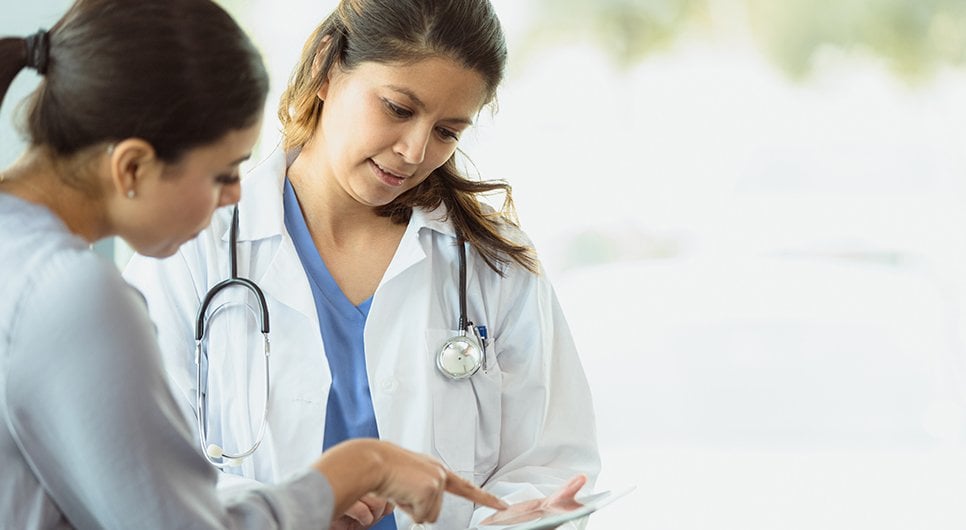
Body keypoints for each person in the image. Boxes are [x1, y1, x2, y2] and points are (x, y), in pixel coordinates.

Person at [0, 0, 507, 528]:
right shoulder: (73, 295)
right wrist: (358, 468)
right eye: (223, 174)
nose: (237, 196)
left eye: (448, 131)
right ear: (132, 166)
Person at [124, 0, 601, 528]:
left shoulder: (493, 261)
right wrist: (298, 505)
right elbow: (141, 461)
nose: (415, 150)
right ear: (327, 69)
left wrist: (511, 520)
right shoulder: (195, 242)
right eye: (398, 109)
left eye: (448, 131)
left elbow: (552, 460)